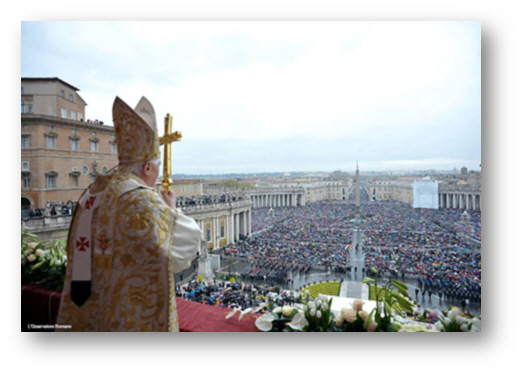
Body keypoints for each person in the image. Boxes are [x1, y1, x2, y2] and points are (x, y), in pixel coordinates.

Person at [56, 96, 203, 332]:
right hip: (132, 320)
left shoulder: (90, 195)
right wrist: (171, 210)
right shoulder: (143, 201)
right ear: (147, 167)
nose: (155, 176)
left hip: (89, 314)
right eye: (155, 170)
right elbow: (183, 250)